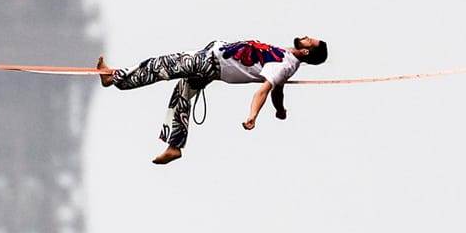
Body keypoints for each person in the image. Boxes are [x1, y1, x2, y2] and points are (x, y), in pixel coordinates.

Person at [96, 37, 328, 163]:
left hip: (210, 63)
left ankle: (114, 77)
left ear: (307, 52)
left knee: (162, 64)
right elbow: (278, 91)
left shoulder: (285, 65)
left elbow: (266, 90)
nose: (306, 38)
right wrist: (281, 110)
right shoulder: (287, 57)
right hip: (212, 59)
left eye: (310, 41)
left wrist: (252, 116)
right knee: (182, 95)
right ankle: (174, 147)